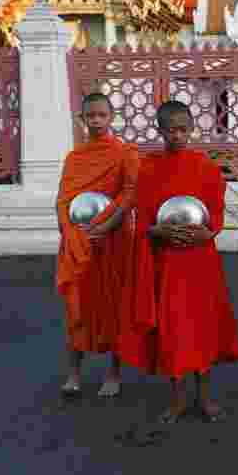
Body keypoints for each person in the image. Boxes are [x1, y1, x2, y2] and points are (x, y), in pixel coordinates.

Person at [118, 101, 238, 423]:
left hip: (200, 261)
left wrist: (209, 232)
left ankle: (205, 398)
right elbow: (143, 217)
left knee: (203, 328)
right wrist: (156, 230)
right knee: (173, 331)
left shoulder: (205, 167)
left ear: (191, 128)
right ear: (159, 130)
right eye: (171, 129)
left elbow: (215, 212)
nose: (178, 135)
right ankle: (177, 400)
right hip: (167, 262)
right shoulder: (148, 169)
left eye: (183, 129)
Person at [55, 93, 138, 397]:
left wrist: (104, 226)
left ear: (111, 116)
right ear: (82, 119)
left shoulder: (125, 153)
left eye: (102, 115)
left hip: (113, 239)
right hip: (79, 242)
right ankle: (74, 373)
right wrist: (67, 231)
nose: (96, 121)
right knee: (76, 307)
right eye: (90, 116)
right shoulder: (75, 158)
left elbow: (129, 195)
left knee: (114, 305)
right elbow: (64, 198)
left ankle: (114, 373)